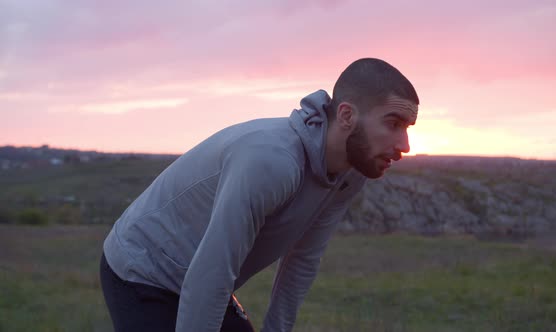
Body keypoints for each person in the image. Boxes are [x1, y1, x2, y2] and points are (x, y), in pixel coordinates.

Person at [99, 57, 419, 332]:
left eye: (407, 128)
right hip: (143, 267)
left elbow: (303, 258)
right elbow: (212, 270)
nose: (404, 144)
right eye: (393, 123)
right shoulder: (273, 161)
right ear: (347, 116)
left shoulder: (350, 173)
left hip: (206, 277)